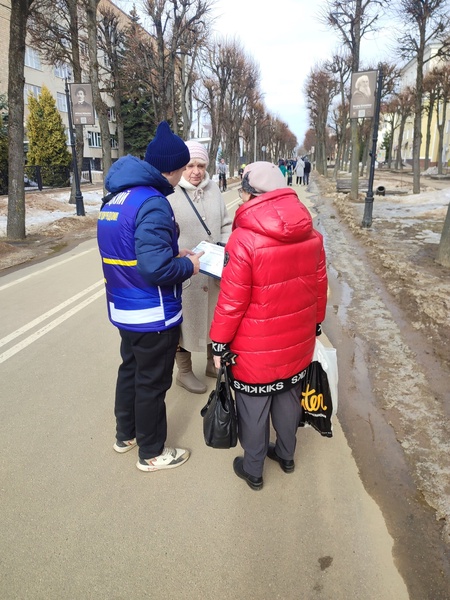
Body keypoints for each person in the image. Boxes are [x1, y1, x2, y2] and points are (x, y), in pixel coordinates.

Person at [209, 161, 328, 490]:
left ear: (252, 195)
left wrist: (219, 344)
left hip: (254, 349)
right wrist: (316, 323)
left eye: (242, 192)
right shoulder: (312, 234)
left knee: (254, 408)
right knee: (289, 399)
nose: (241, 198)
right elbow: (320, 285)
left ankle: (254, 470)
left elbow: (232, 303)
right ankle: (287, 456)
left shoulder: (243, 241)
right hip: (297, 342)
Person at [97, 121, 204, 473]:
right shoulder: (154, 203)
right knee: (152, 383)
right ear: (172, 169)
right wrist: (189, 265)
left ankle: (124, 435)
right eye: (183, 167)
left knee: (130, 371)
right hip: (152, 313)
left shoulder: (117, 198)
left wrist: (174, 255)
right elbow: (156, 269)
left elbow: (135, 255)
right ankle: (152, 452)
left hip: (124, 309)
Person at [169, 141, 232, 393]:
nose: (196, 171)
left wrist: (225, 248)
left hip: (213, 271)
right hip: (185, 273)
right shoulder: (169, 193)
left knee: (214, 319)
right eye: (190, 165)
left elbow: (226, 223)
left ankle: (211, 363)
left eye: (201, 165)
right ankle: (184, 372)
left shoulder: (214, 190)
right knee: (183, 324)